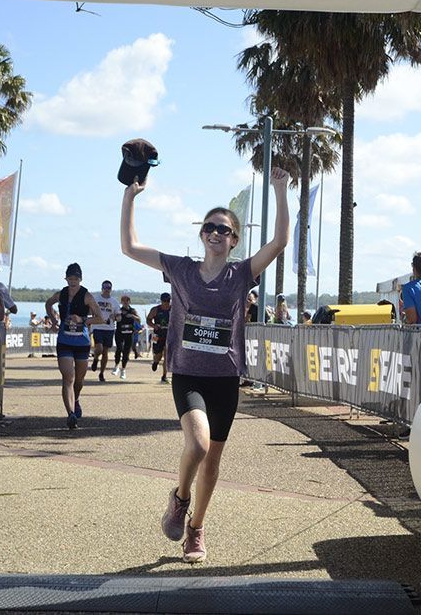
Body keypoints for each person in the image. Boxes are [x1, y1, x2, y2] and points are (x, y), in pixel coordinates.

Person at [120, 164, 290, 564]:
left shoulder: (241, 274)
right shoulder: (180, 269)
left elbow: (280, 241)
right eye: (209, 227)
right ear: (202, 234)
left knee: (213, 460)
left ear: (234, 240)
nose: (215, 233)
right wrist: (130, 196)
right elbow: (130, 247)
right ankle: (180, 499)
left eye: (223, 230)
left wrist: (281, 191)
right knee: (197, 444)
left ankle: (196, 529)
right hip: (189, 374)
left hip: (225, 377)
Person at [45, 263, 104, 429]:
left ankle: (76, 399)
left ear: (80, 279)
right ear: (66, 279)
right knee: (68, 378)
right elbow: (48, 304)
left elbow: (100, 318)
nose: (72, 282)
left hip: (82, 342)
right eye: (70, 279)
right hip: (64, 341)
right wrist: (54, 320)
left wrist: (82, 319)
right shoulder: (61, 294)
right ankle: (70, 414)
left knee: (78, 380)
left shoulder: (87, 296)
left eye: (75, 279)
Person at [90, 280, 118, 381]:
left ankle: (101, 373)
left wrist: (115, 317)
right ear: (102, 288)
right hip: (97, 326)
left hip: (109, 328)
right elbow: (89, 309)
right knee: (99, 348)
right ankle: (95, 359)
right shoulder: (96, 299)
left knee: (105, 352)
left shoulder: (114, 301)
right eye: (105, 287)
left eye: (109, 288)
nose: (107, 289)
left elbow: (118, 316)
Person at [112, 295, 140, 379]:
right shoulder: (119, 310)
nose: (125, 302)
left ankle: (123, 369)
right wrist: (116, 317)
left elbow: (139, 319)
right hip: (120, 332)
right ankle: (116, 366)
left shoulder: (132, 310)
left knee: (126, 352)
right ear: (121, 302)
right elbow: (113, 318)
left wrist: (132, 316)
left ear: (129, 301)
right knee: (119, 348)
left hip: (129, 333)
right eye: (123, 301)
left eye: (127, 300)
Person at [147, 293, 172, 383]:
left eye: (168, 301)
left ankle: (164, 375)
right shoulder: (155, 309)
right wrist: (154, 325)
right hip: (157, 335)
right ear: (161, 301)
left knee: (166, 355)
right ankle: (156, 362)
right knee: (158, 354)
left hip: (169, 335)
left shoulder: (173, 309)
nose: (166, 303)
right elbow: (148, 319)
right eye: (164, 301)